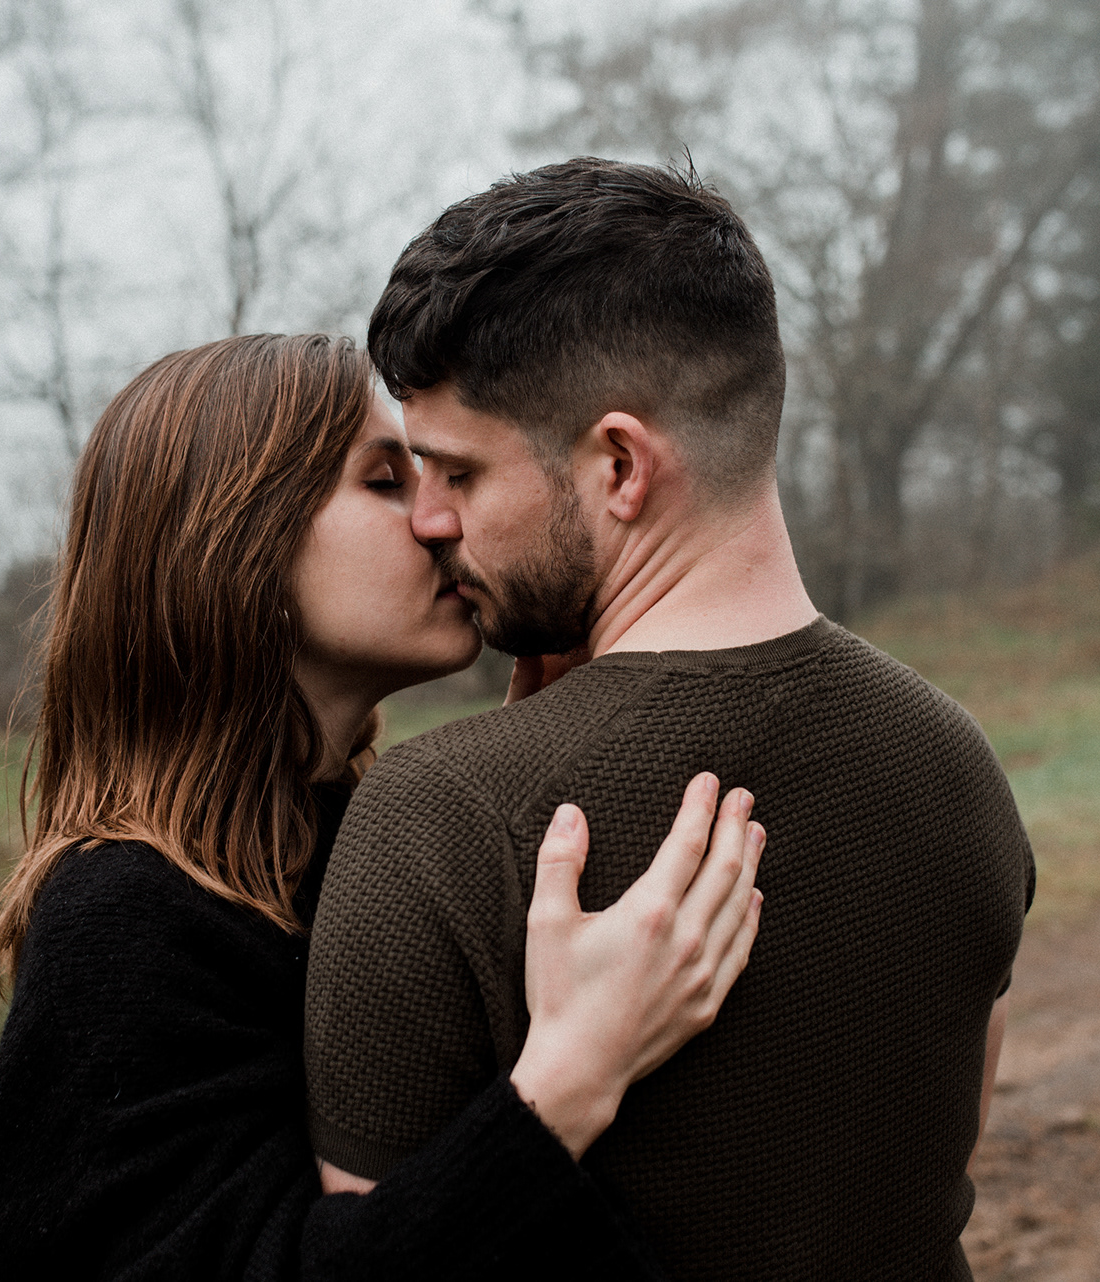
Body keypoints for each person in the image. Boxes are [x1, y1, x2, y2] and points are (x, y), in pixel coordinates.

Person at [303, 159, 1036, 1280]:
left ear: (620, 466)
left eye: (458, 472)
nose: (431, 520)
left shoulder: (438, 818)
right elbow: (941, 1155)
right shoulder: (959, 760)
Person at [0, 333, 769, 1281]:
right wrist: (575, 1076)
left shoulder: (359, 841)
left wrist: (520, 796)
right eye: (385, 481)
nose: (439, 518)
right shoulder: (125, 916)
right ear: (236, 545)